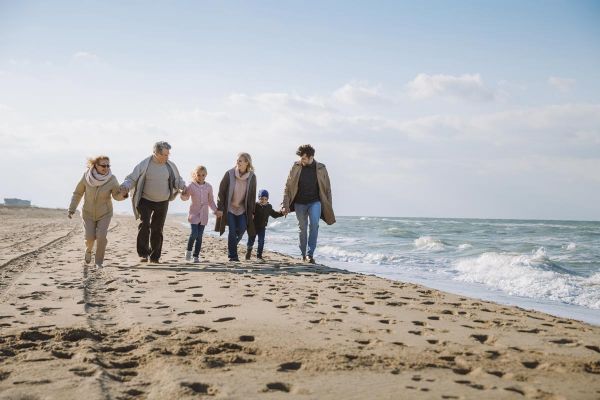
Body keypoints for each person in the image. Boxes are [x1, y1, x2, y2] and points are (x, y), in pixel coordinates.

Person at [120, 141, 185, 263]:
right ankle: (143, 253)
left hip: (163, 201)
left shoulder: (170, 165)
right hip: (145, 200)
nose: (167, 157)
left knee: (158, 228)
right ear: (156, 153)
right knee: (145, 225)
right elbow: (131, 178)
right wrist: (125, 186)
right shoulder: (145, 164)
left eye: (168, 155)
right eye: (164, 155)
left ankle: (155, 257)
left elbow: (178, 180)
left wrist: (184, 187)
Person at [68, 155, 127, 268]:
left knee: (101, 236)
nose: (106, 168)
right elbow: (78, 193)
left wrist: (123, 194)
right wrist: (72, 209)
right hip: (88, 212)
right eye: (103, 165)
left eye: (108, 165)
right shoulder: (86, 177)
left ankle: (98, 262)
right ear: (95, 165)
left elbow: (116, 196)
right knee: (90, 237)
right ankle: (88, 250)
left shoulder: (112, 179)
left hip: (105, 213)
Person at [281, 144, 335, 264]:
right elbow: (288, 186)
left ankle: (310, 255)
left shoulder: (321, 168)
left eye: (304, 158)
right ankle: (303, 254)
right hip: (299, 203)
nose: (302, 160)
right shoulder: (296, 167)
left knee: (314, 225)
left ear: (311, 157)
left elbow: (328, 189)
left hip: (315, 202)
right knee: (302, 228)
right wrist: (285, 204)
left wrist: (328, 206)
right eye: (301, 158)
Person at [215, 153, 257, 262]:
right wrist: (220, 207)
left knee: (242, 228)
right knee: (232, 231)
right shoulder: (229, 174)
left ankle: (232, 244)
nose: (238, 162)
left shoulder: (252, 177)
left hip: (242, 209)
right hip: (229, 208)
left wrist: (252, 211)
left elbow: (252, 196)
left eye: (241, 161)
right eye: (237, 160)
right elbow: (221, 192)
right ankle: (233, 256)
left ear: (247, 163)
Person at [180, 165, 217, 263]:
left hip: (204, 214)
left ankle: (196, 256)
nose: (201, 177)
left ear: (206, 175)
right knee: (194, 234)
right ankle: (188, 251)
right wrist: (182, 194)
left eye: (203, 175)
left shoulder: (209, 187)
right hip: (194, 213)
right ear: (195, 175)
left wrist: (216, 210)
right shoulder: (191, 185)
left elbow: (211, 201)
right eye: (198, 175)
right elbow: (186, 197)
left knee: (199, 236)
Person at [245, 189, 283, 260]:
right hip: (253, 227)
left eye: (265, 199)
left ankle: (259, 256)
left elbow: (274, 214)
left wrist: (282, 213)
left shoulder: (269, 207)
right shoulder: (255, 205)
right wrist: (251, 215)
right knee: (251, 241)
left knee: (261, 241)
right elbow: (249, 212)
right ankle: (248, 252)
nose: (263, 200)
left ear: (267, 199)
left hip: (262, 227)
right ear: (259, 198)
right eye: (261, 199)